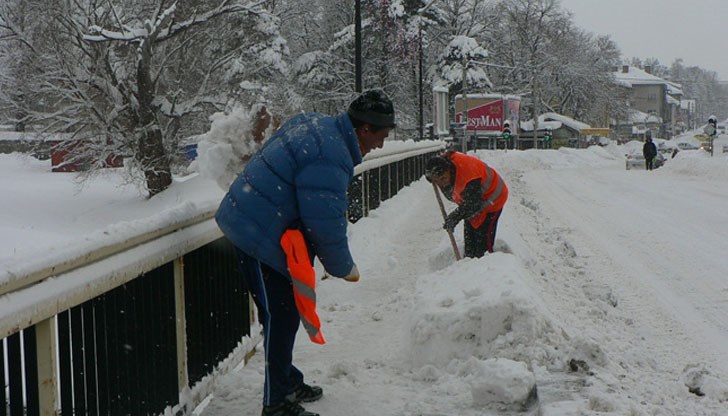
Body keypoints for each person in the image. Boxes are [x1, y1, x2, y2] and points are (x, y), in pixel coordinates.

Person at [215, 90, 395, 416]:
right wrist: (343, 267)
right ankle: (276, 404)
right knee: (280, 317)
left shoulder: (317, 124)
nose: (380, 145)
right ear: (365, 129)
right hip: (256, 231)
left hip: (253, 218)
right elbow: (323, 219)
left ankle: (286, 381)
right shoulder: (331, 153)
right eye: (380, 136)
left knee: (282, 314)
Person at [425, 150, 508, 258]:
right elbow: (468, 204)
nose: (442, 183)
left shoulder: (467, 173)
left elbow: (473, 204)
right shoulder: (446, 166)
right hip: (475, 199)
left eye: (443, 178)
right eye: (437, 182)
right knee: (470, 238)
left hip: (493, 198)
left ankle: (485, 262)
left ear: (449, 169)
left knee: (483, 240)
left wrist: (454, 217)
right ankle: (469, 259)